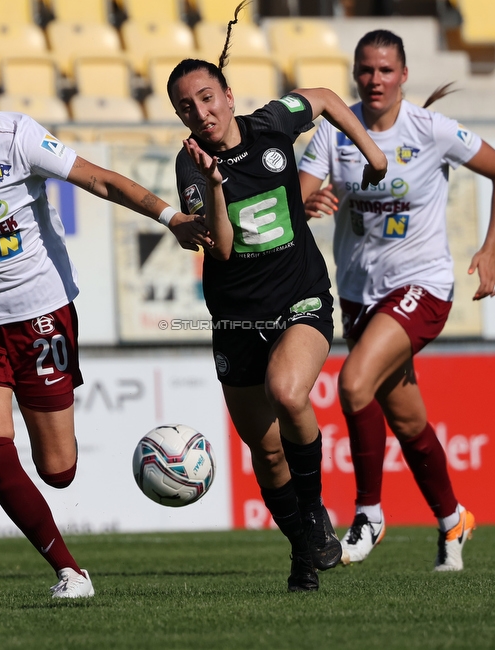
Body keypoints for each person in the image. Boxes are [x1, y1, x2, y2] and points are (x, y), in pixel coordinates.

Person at [0, 26, 208, 599]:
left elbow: (102, 181)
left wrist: (172, 219)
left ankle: (62, 495)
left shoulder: (18, 137)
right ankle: (70, 570)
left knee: (58, 470)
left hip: (40, 310)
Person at [166, 1, 387, 592]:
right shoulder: (191, 169)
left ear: (228, 95)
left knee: (288, 391)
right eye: (186, 106)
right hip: (237, 321)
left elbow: (326, 97)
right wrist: (213, 185)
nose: (200, 111)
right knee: (266, 455)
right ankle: (302, 553)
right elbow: (224, 251)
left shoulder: (273, 124)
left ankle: (315, 519)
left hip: (302, 300)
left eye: (207, 97)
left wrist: (372, 153)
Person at [298, 29, 495, 571]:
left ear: (404, 76)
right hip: (358, 293)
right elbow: (296, 194)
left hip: (423, 284)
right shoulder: (334, 131)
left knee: (352, 384)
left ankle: (368, 514)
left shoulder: (431, 130)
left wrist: (490, 250)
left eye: (385, 70)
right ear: (355, 74)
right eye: (366, 70)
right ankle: (452, 520)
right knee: (408, 420)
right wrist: (309, 202)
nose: (375, 80)